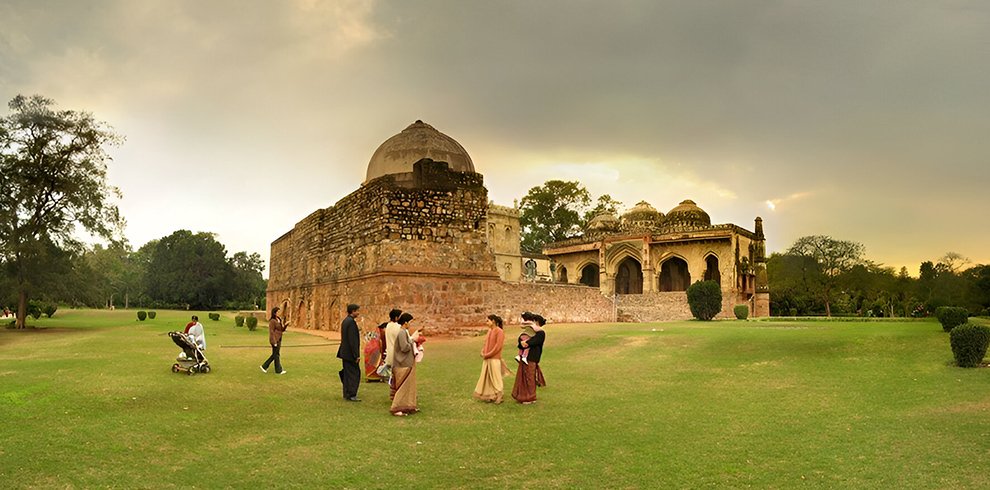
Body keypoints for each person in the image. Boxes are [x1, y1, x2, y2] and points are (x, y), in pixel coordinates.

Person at [511, 312, 546, 404]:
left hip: (532, 357)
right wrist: (522, 343)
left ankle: (530, 397)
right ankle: (522, 395)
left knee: (530, 377)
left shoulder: (540, 333)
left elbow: (535, 341)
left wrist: (526, 343)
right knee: (523, 377)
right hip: (525, 357)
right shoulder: (529, 332)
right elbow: (520, 340)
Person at [390, 312, 420, 416]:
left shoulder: (404, 332)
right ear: (405, 322)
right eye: (410, 322)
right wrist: (413, 340)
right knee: (403, 387)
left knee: (409, 386)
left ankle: (409, 406)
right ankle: (396, 408)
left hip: (407, 363)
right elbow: (404, 347)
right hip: (402, 364)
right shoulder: (402, 332)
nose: (411, 324)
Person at [473, 314, 506, 404]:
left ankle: (499, 395)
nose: (486, 322)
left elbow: (498, 347)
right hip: (487, 358)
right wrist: (483, 351)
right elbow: (486, 343)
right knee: (487, 377)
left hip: (494, 358)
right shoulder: (490, 331)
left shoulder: (499, 331)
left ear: (493, 321)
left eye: (488, 320)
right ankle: (491, 395)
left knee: (496, 377)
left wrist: (488, 354)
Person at [337, 303, 362, 402]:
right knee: (354, 373)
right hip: (350, 354)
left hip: (345, 352)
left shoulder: (345, 321)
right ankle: (351, 393)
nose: (358, 313)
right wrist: (356, 355)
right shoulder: (351, 322)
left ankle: (347, 392)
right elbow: (353, 341)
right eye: (357, 311)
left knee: (348, 373)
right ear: (353, 311)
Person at [261, 307, 288, 375]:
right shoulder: (272, 321)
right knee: (276, 355)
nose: (279, 313)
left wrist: (286, 325)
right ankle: (277, 370)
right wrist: (274, 342)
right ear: (274, 313)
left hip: (279, 339)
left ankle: (265, 367)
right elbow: (271, 332)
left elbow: (281, 329)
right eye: (278, 312)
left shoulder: (278, 319)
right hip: (275, 340)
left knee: (275, 355)